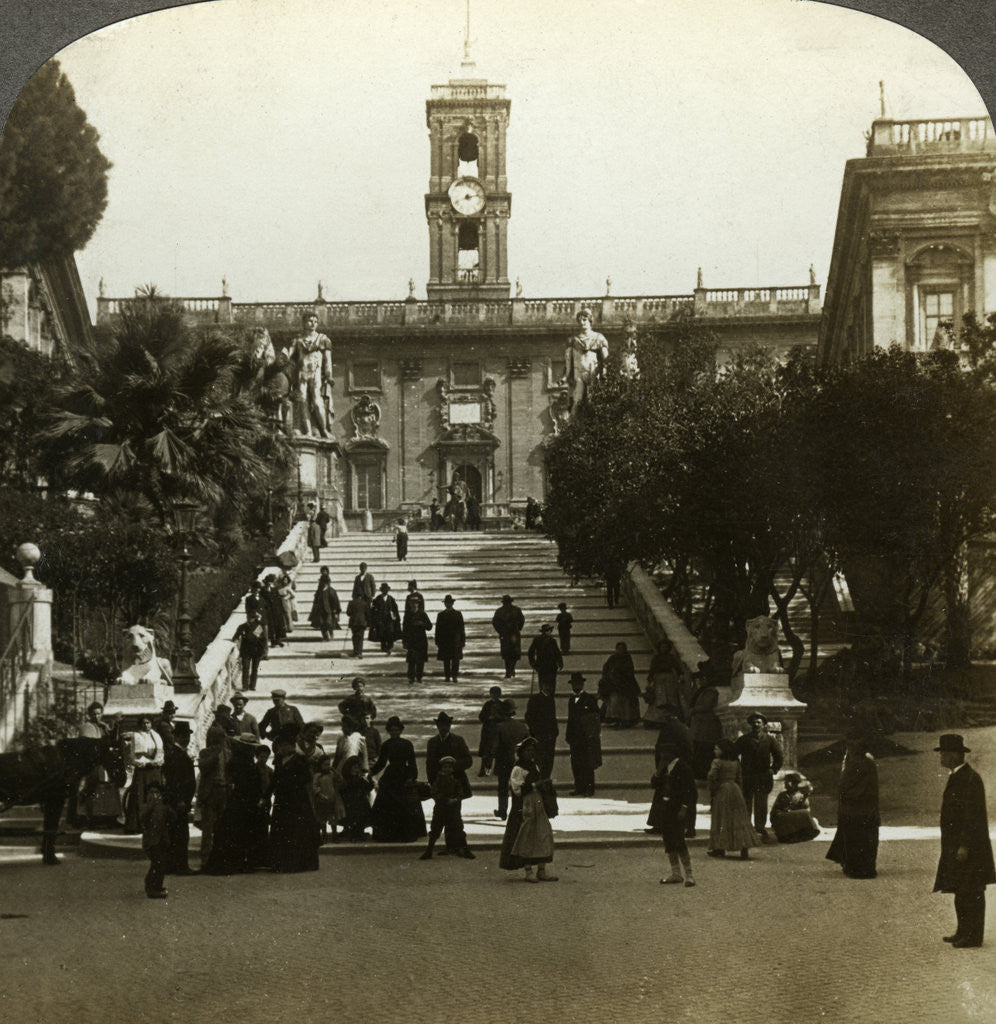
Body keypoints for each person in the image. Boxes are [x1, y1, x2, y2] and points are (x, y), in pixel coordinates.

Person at [933, 734, 996, 948]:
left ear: (955, 755)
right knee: (961, 889)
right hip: (957, 845)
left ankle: (973, 935)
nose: (941, 756)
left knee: (972, 891)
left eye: (943, 752)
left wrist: (964, 845)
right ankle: (963, 930)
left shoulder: (970, 778)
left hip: (969, 847)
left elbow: (972, 816)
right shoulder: (958, 776)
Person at [499, 737, 558, 882]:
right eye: (528, 751)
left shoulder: (534, 765)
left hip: (537, 803)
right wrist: (535, 785)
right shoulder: (518, 768)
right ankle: (528, 871)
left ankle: (542, 870)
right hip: (525, 806)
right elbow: (517, 789)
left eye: (533, 751)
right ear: (522, 752)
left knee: (543, 834)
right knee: (526, 837)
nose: (531, 753)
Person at [826, 732, 880, 879]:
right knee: (867, 840)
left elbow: (844, 786)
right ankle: (867, 868)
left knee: (854, 839)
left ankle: (854, 868)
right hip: (869, 810)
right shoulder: (870, 763)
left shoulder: (854, 764)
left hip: (853, 810)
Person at [269, 729, 322, 872]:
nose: (280, 749)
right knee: (283, 831)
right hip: (282, 801)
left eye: (282, 746)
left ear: (290, 746)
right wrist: (266, 794)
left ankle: (298, 864)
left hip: (297, 801)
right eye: (279, 746)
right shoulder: (280, 761)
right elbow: (275, 779)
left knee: (297, 831)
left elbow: (306, 780)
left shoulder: (300, 760)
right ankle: (282, 863)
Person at [368, 716, 427, 843]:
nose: (394, 732)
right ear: (389, 731)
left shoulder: (407, 744)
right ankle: (387, 835)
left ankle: (406, 833)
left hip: (404, 775)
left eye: (397, 730)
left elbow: (412, 762)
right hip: (390, 776)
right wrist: (371, 772)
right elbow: (382, 763)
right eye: (392, 730)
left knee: (406, 803)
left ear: (401, 730)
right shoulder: (386, 745)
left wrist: (412, 777)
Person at [652, 741, 698, 886]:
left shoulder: (683, 768)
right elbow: (654, 785)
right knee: (669, 841)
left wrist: (684, 808)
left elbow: (691, 792)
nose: (661, 756)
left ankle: (689, 875)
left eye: (664, 753)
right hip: (665, 809)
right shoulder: (664, 768)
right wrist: (658, 772)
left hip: (678, 809)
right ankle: (676, 873)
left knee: (679, 841)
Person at [734, 712, 783, 839]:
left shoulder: (770, 739)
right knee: (746, 802)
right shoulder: (744, 739)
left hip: (763, 777)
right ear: (750, 724)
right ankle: (746, 826)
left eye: (759, 722)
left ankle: (760, 828)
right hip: (747, 776)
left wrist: (773, 770)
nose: (756, 724)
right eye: (754, 722)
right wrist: (739, 769)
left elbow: (779, 756)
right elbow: (733, 754)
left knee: (761, 803)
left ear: (763, 724)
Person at [707, 738, 757, 860]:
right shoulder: (736, 763)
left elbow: (711, 776)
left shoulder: (717, 762)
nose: (714, 751)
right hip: (735, 790)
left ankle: (719, 848)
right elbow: (739, 779)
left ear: (722, 750)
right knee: (738, 819)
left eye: (716, 748)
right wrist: (739, 791)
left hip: (723, 790)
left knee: (721, 817)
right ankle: (744, 847)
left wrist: (713, 789)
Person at [420, 756, 474, 861]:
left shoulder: (455, 781)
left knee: (459, 828)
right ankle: (429, 850)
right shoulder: (438, 780)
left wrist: (455, 799)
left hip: (453, 809)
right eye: (445, 767)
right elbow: (434, 792)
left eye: (450, 767)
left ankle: (466, 850)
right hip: (441, 808)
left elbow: (460, 793)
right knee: (435, 829)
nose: (448, 769)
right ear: (442, 768)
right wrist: (445, 800)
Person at [291, 310, 333, 437]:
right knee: (302, 400)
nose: (313, 323)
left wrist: (329, 374)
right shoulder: (298, 340)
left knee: (316, 400)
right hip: (302, 374)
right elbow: (289, 355)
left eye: (315, 321)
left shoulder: (323, 339)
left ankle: (324, 430)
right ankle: (308, 431)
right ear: (304, 323)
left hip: (316, 374)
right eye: (310, 321)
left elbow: (328, 359)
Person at [162, 721, 196, 876]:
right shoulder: (176, 754)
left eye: (187, 736)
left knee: (176, 833)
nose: (186, 739)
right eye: (183, 736)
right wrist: (180, 799)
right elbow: (174, 780)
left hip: (181, 801)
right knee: (180, 834)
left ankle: (173, 865)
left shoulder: (178, 753)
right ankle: (180, 866)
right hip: (179, 801)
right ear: (176, 736)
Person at [196, 726, 230, 870]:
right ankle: (205, 860)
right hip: (210, 793)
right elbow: (202, 767)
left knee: (222, 827)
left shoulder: (228, 753)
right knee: (208, 827)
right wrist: (215, 755)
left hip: (224, 791)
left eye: (221, 737)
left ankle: (220, 859)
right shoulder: (205, 753)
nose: (220, 741)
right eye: (217, 738)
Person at [124, 715, 166, 833]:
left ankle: (154, 824)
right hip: (143, 771)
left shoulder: (156, 735)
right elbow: (135, 755)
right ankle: (137, 825)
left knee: (155, 796)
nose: (146, 725)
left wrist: (157, 762)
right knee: (140, 796)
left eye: (148, 723)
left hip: (155, 770)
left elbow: (160, 753)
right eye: (144, 723)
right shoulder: (136, 736)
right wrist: (146, 763)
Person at [564, 305, 608, 411]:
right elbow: (568, 359)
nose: (582, 323)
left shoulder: (598, 338)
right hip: (579, 373)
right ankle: (571, 424)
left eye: (584, 320)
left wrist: (604, 372)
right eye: (580, 320)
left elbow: (605, 358)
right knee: (576, 400)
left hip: (593, 372)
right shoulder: (574, 340)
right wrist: (566, 375)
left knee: (592, 400)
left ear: (590, 320)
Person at [566, 671, 602, 797]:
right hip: (574, 738)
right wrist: (568, 736)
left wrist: (592, 735)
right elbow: (570, 719)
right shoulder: (571, 699)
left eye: (578, 683)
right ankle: (579, 788)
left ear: (582, 685)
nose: (576, 686)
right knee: (576, 764)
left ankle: (589, 788)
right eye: (574, 684)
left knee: (588, 764)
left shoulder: (590, 698)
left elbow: (595, 717)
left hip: (586, 737)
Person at [493, 699, 529, 821]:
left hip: (503, 761)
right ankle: (517, 811)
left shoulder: (499, 727)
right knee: (517, 787)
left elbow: (494, 747)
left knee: (502, 787)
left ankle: (502, 811)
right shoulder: (522, 726)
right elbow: (527, 744)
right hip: (518, 761)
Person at [688, 665, 723, 779]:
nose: (701, 681)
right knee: (699, 747)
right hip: (700, 725)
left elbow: (706, 706)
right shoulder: (703, 691)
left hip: (706, 725)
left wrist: (693, 710)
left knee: (704, 748)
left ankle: (702, 773)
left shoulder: (710, 691)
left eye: (703, 679)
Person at [140, 782, 174, 899]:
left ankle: (156, 885)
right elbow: (142, 819)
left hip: (162, 839)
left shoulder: (164, 807)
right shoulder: (144, 806)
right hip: (151, 840)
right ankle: (152, 887)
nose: (154, 795)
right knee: (157, 863)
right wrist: (150, 808)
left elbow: (171, 818)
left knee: (160, 864)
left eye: (156, 792)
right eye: (151, 792)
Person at [644, 639, 688, 726]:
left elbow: (678, 668)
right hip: (659, 679)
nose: (663, 649)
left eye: (665, 647)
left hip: (669, 679)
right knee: (659, 699)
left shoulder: (671, 658)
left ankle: (670, 719)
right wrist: (649, 681)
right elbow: (652, 670)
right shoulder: (656, 658)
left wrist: (681, 675)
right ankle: (657, 720)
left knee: (670, 699)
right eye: (662, 647)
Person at [599, 641, 642, 728]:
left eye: (623, 649)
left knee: (625, 702)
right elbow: (606, 669)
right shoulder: (612, 658)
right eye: (619, 649)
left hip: (625, 684)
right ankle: (615, 719)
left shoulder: (627, 659)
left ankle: (625, 720)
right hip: (614, 684)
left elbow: (630, 673)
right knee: (614, 701)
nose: (621, 650)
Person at [770, 773, 820, 844]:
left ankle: (796, 835)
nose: (785, 784)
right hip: (780, 820)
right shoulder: (784, 795)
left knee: (809, 816)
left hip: (791, 821)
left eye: (786, 782)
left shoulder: (801, 795)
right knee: (805, 813)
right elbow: (777, 813)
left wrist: (804, 798)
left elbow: (806, 809)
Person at [524, 682, 559, 779]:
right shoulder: (534, 699)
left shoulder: (551, 699)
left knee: (549, 759)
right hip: (539, 734)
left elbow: (553, 717)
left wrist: (555, 731)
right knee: (539, 758)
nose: (548, 687)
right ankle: (540, 779)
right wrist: (533, 729)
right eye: (546, 685)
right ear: (542, 686)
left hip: (551, 735)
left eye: (550, 685)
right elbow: (528, 717)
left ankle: (546, 778)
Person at [337, 756, 374, 841]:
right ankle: (354, 833)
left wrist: (370, 780)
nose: (356, 769)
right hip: (351, 802)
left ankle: (359, 832)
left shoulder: (360, 779)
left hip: (360, 802)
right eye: (354, 767)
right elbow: (343, 790)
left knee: (361, 818)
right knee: (353, 817)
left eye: (358, 767)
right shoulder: (347, 780)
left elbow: (367, 787)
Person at [232, 609, 267, 691]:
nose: (249, 618)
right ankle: (245, 686)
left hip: (256, 650)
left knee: (254, 669)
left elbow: (262, 639)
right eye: (248, 617)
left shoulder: (259, 626)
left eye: (252, 617)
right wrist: (238, 644)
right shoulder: (242, 626)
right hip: (246, 651)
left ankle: (252, 686)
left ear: (255, 618)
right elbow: (235, 637)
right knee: (246, 668)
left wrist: (263, 651)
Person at [402, 588, 432, 683]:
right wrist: (404, 641)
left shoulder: (422, 614)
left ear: (418, 604)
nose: (414, 605)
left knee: (420, 660)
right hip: (411, 641)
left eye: (416, 603)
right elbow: (404, 628)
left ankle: (419, 677)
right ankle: (411, 678)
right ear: (410, 604)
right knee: (411, 661)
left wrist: (421, 624)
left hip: (421, 640)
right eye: (412, 603)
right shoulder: (407, 615)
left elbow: (429, 626)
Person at [492, 595, 525, 679]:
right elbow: (522, 620)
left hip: (507, 634)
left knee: (509, 653)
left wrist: (500, 631)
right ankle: (510, 669)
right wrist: (518, 628)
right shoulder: (516, 610)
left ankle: (510, 670)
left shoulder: (500, 611)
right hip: (511, 634)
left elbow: (495, 622)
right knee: (511, 653)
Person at [434, 594, 466, 682]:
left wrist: (462, 641)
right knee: (446, 660)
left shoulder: (458, 614)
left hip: (455, 640)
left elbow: (461, 628)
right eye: (447, 603)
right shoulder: (440, 615)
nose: (448, 604)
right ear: (445, 604)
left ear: (452, 603)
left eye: (449, 603)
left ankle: (455, 676)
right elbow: (438, 629)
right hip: (444, 640)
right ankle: (447, 676)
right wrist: (437, 640)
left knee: (455, 660)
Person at [477, 686, 506, 777]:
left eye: (497, 693)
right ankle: (485, 770)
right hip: (488, 731)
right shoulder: (487, 705)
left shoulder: (503, 705)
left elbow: (507, 717)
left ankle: (497, 770)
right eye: (493, 693)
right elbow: (481, 717)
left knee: (498, 750)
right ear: (490, 694)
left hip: (498, 730)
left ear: (500, 694)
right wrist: (488, 718)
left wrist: (499, 718)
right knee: (487, 751)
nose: (495, 696)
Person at [527, 623, 563, 694]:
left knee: (544, 684)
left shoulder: (540, 640)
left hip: (544, 666)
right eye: (549, 630)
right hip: (548, 666)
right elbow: (557, 653)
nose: (550, 632)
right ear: (546, 631)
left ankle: (546, 700)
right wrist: (560, 663)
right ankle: (548, 700)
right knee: (550, 684)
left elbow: (530, 652)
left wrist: (533, 663)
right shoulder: (549, 640)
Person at [309, 567, 341, 642]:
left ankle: (331, 634)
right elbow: (316, 601)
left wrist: (336, 611)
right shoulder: (319, 591)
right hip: (320, 610)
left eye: (324, 582)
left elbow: (335, 602)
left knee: (329, 623)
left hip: (328, 610)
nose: (322, 584)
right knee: (321, 624)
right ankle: (325, 637)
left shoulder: (331, 591)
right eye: (321, 582)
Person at [370, 582, 402, 654]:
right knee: (382, 633)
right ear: (382, 590)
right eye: (383, 590)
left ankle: (389, 646)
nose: (385, 591)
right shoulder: (378, 599)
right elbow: (373, 609)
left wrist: (396, 617)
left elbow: (395, 609)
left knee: (390, 632)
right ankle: (383, 646)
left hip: (389, 620)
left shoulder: (391, 599)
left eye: (386, 590)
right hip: (381, 620)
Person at [261, 574, 287, 647]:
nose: (271, 584)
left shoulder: (275, 589)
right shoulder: (263, 591)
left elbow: (279, 600)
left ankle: (278, 640)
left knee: (278, 625)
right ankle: (273, 641)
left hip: (276, 610)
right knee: (271, 626)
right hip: (268, 611)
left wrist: (282, 609)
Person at [346, 593, 370, 658]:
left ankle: (355, 651)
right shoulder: (364, 603)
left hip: (354, 622)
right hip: (362, 622)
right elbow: (367, 613)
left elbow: (348, 613)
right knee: (360, 637)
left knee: (355, 637)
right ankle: (360, 652)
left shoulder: (351, 603)